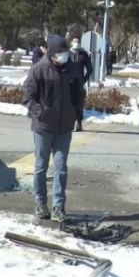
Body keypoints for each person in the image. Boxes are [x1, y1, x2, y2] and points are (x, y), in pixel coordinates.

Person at [22, 34, 85, 222]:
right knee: (41, 167)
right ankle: (40, 203)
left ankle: (59, 206)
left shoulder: (73, 69)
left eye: (65, 51)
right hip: (42, 127)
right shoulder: (39, 70)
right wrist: (39, 112)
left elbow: (80, 93)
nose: (63, 55)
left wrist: (76, 111)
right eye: (59, 52)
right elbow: (27, 96)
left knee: (61, 167)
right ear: (50, 52)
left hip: (64, 128)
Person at [69, 37, 93, 132]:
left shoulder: (84, 55)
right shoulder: (67, 54)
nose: (76, 43)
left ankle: (79, 123)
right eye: (74, 41)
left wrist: (84, 80)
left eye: (78, 41)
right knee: (68, 103)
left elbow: (90, 69)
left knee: (79, 104)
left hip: (79, 83)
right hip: (68, 83)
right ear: (71, 42)